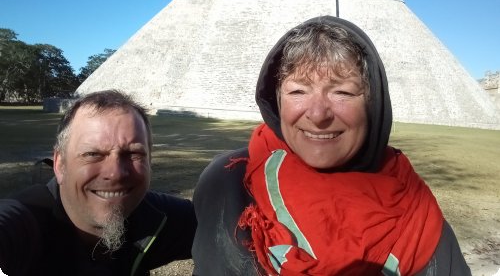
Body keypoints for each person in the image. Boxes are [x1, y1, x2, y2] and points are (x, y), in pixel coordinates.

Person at [192, 16, 471, 275]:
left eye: (342, 92)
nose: (317, 114)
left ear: (373, 104)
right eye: (298, 91)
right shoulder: (228, 182)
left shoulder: (415, 208)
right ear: (277, 100)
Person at [0, 90, 197, 275]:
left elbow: (214, 217)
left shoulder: (154, 217)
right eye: (92, 154)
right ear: (60, 164)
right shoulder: (25, 225)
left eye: (133, 153)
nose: (116, 173)